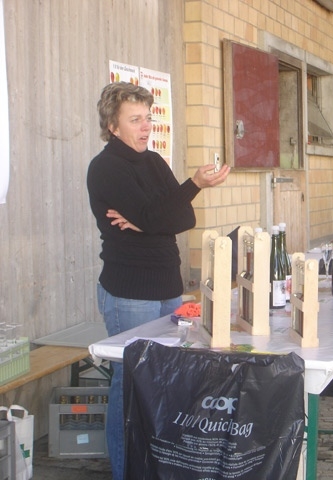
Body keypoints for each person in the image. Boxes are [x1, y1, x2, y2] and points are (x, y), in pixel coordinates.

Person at [86, 82, 230, 480]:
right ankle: (124, 471)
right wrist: (187, 190)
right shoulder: (106, 168)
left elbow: (183, 218)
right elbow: (160, 215)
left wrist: (148, 220)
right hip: (130, 293)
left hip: (168, 289)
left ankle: (158, 467)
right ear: (113, 126)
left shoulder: (153, 161)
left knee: (165, 384)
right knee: (130, 388)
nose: (146, 126)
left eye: (148, 117)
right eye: (135, 120)